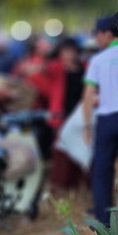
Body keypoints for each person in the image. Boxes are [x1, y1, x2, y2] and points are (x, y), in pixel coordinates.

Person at [83, 11, 118, 225]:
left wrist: (87, 126)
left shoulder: (99, 59)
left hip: (107, 119)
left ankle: (103, 218)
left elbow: (88, 95)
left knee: (102, 169)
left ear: (109, 33)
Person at [48, 37, 86, 191]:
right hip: (62, 117)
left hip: (83, 117)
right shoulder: (55, 69)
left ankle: (79, 188)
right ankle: (61, 189)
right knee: (62, 155)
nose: (69, 55)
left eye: (72, 51)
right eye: (66, 51)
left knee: (81, 152)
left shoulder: (86, 67)